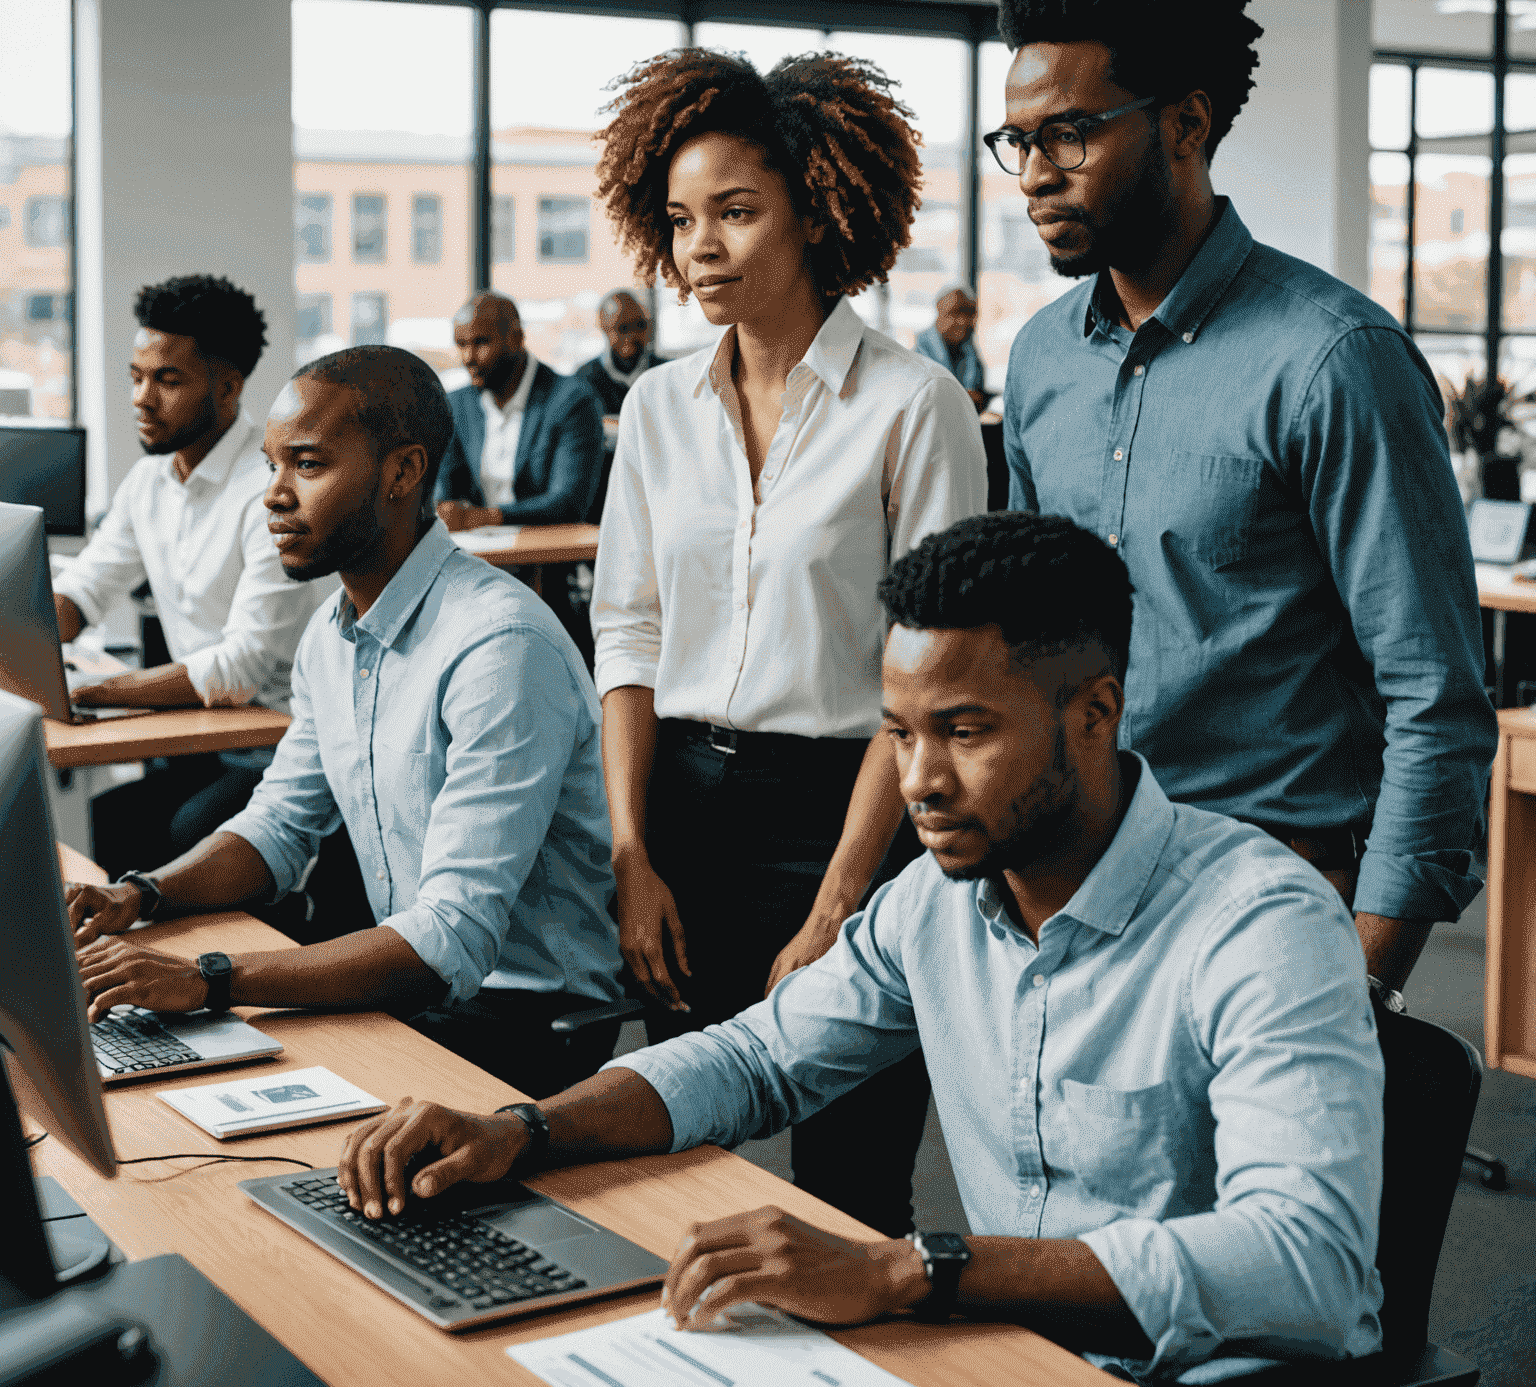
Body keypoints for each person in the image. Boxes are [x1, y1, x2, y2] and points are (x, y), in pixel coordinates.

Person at [338, 512, 1385, 1383]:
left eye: (966, 732)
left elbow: (1307, 1262)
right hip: (992, 1354)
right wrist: (523, 1129)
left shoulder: (1261, 924)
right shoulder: (933, 900)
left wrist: (908, 1270)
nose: (920, 780)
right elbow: (752, 1059)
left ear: (1096, 714)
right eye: (899, 731)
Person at [991, 0, 1497, 993]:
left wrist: (1368, 975)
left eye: (1071, 134)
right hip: (1087, 892)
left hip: (1278, 902)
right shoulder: (1040, 362)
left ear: (1186, 123)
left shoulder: (1332, 361)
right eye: (1019, 141)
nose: (1035, 174)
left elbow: (1435, 693)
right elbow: (1040, 648)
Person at [587, 47, 988, 1239]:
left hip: (853, 814)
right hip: (684, 817)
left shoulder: (916, 408)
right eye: (680, 220)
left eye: (735, 212)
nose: (699, 246)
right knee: (669, 1161)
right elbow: (630, 632)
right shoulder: (657, 409)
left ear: (817, 209)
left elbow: (925, 684)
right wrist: (630, 854)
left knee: (850, 1186)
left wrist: (840, 903)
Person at [67, 346, 624, 1099]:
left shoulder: (499, 648)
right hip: (418, 993)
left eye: (307, 465)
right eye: (270, 465)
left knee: (223, 1119)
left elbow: (449, 938)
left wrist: (206, 979)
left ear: (403, 473)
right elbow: (276, 828)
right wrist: (139, 896)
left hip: (519, 1020)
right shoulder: (333, 636)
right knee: (163, 1081)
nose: (273, 495)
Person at [52, 275, 328, 878]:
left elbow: (238, 669)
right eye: (136, 376)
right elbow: (86, 586)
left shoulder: (270, 492)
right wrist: (30, 630)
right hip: (198, 744)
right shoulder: (150, 483)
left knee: (175, 833)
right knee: (112, 822)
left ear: (229, 385)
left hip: (276, 751)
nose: (142, 398)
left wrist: (94, 693)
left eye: (168, 380)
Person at [433, 291, 603, 530]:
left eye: (481, 343)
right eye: (461, 344)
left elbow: (568, 502)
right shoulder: (458, 406)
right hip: (476, 554)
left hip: (543, 556)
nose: (468, 357)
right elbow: (445, 495)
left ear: (517, 338)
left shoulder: (571, 401)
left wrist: (484, 518)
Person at [576, 289, 658, 417]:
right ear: (605, 329)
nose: (632, 335)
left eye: (639, 325)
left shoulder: (663, 372)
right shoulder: (586, 379)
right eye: (623, 328)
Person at [913, 283, 987, 407]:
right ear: (939, 314)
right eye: (956, 313)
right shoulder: (917, 358)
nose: (964, 321)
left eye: (970, 314)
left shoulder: (972, 357)